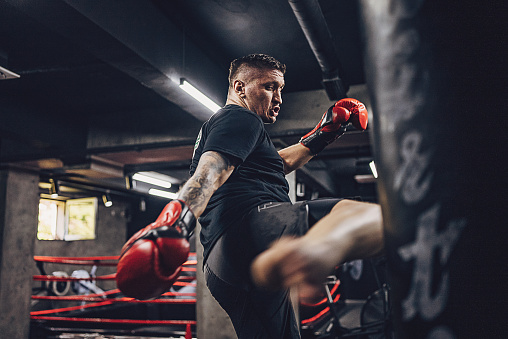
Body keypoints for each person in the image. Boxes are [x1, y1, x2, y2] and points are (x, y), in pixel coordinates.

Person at [117, 53, 372, 339]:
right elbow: (211, 171)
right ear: (240, 88)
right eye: (269, 87)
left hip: (221, 265)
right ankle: (318, 254)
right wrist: (177, 221)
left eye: (280, 89)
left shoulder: (231, 129)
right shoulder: (240, 118)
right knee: (363, 214)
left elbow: (279, 163)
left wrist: (323, 133)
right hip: (252, 229)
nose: (279, 98)